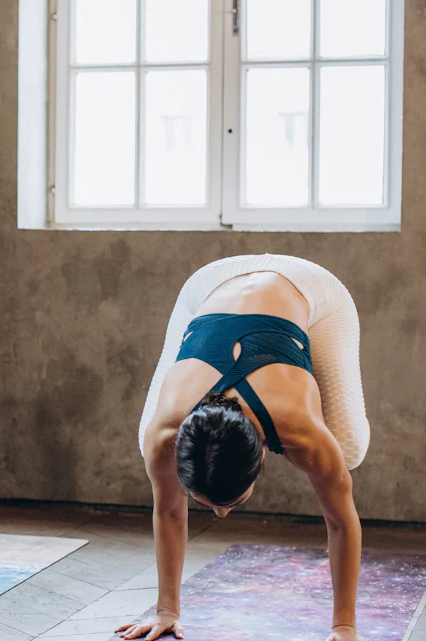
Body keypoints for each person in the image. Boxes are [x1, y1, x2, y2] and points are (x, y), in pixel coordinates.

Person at [118, 254, 371, 641]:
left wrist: (345, 628)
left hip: (309, 285)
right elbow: (169, 511)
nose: (220, 514)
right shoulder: (166, 432)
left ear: (264, 455)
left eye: (230, 502)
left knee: (346, 450)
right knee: (147, 439)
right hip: (212, 285)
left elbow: (341, 520)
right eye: (212, 502)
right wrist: (165, 610)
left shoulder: (301, 431)